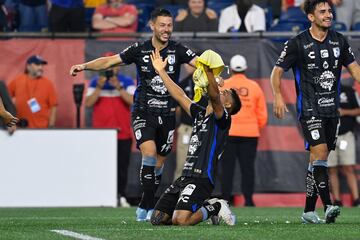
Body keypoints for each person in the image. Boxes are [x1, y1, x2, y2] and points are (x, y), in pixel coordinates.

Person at [70, 8, 197, 221]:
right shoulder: (139, 49)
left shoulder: (179, 49)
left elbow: (199, 63)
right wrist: (83, 66)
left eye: (170, 25)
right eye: (163, 25)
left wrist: (216, 74)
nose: (167, 29)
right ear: (152, 26)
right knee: (149, 153)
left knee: (158, 164)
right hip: (143, 111)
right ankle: (146, 207)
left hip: (167, 115)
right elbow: (109, 62)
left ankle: (147, 201)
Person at [270, 0, 360, 224]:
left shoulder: (339, 40)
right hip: (310, 110)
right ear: (311, 17)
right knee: (319, 155)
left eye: (329, 11)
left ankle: (309, 211)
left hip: (332, 111)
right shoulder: (297, 43)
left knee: (316, 161)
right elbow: (276, 72)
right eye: (322, 11)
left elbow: (355, 68)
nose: (328, 14)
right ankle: (329, 205)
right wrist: (278, 95)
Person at [149, 49, 241, 226]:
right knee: (157, 219)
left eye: (226, 93)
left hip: (202, 179)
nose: (222, 91)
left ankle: (215, 207)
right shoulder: (200, 114)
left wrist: (208, 71)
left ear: (228, 104)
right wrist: (161, 71)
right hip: (185, 177)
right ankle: (202, 206)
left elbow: (214, 96)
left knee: (181, 220)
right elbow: (179, 95)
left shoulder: (223, 119)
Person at [85, 53, 136, 207]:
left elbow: (132, 100)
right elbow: (88, 103)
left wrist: (118, 87)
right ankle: (100, 195)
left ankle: (121, 195)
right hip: (101, 134)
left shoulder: (126, 82)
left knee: (122, 167)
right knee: (101, 166)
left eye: (113, 66)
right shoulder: (95, 82)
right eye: (108, 66)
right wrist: (100, 86)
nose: (110, 69)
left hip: (122, 133)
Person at [220, 54, 268, 207]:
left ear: (231, 69)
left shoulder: (224, 85)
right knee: (248, 169)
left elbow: (218, 109)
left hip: (228, 133)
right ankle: (248, 200)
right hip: (250, 134)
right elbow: (262, 115)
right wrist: (254, 127)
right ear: (245, 68)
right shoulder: (254, 87)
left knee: (227, 168)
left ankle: (225, 200)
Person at [328, 83, 360, 207]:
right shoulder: (322, 90)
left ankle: (356, 200)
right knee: (332, 169)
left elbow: (358, 110)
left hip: (345, 136)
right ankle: (337, 200)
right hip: (329, 136)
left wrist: (344, 111)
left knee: (348, 167)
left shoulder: (348, 90)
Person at [8, 55, 58, 129]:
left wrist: (51, 126)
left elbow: (53, 106)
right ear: (28, 66)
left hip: (42, 129)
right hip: (21, 129)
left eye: (41, 65)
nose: (40, 68)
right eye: (37, 65)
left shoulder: (48, 84)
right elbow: (5, 100)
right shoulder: (17, 81)